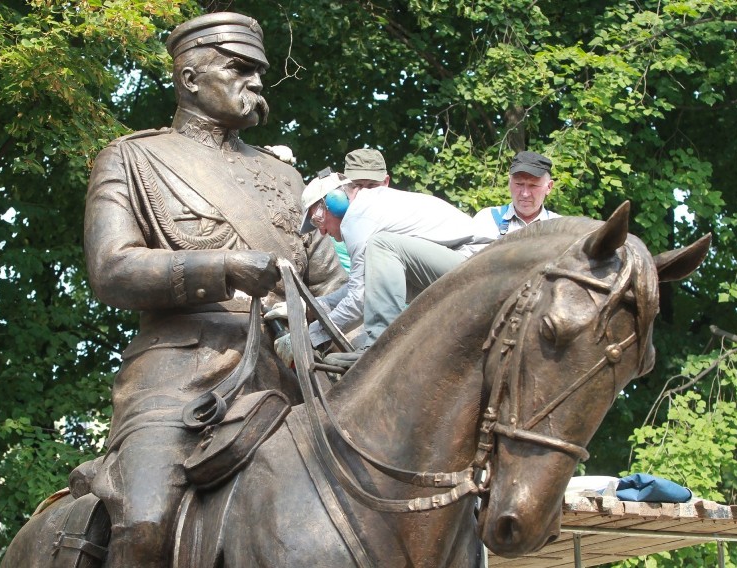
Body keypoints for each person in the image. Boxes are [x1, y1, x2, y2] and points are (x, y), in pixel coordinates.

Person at [82, 12, 346, 567]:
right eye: (240, 69)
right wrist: (225, 267)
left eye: (260, 72)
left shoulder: (285, 179)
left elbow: (331, 285)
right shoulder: (133, 158)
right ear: (190, 79)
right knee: (146, 520)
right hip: (181, 378)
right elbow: (111, 269)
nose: (256, 83)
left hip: (294, 377)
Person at [275, 149, 481, 366]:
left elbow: (359, 298)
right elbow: (369, 287)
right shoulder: (369, 208)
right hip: (464, 265)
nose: (323, 232)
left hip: (475, 263)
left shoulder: (358, 217)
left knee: (381, 245)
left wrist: (307, 338)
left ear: (336, 201)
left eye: (318, 220)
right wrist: (307, 307)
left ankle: (379, 346)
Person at [473, 150, 561, 242]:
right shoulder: (487, 220)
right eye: (519, 184)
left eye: (533, 185)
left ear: (549, 187)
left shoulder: (560, 227)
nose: (525, 194)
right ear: (509, 183)